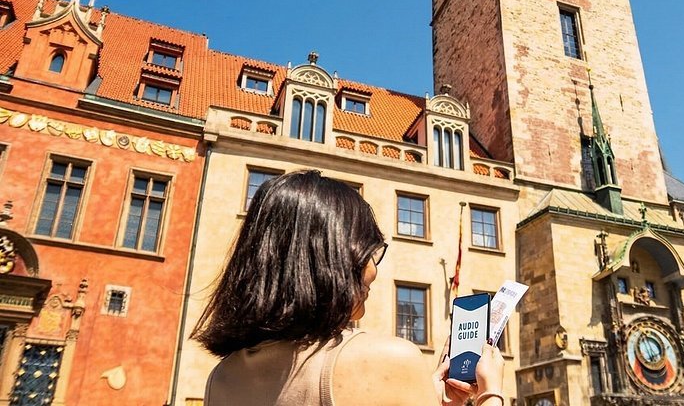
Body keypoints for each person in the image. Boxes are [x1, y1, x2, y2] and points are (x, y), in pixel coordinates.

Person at [192, 170, 505, 405]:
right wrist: (491, 394)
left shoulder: (222, 377)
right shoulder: (389, 359)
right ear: (330, 258)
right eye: (369, 252)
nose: (373, 270)